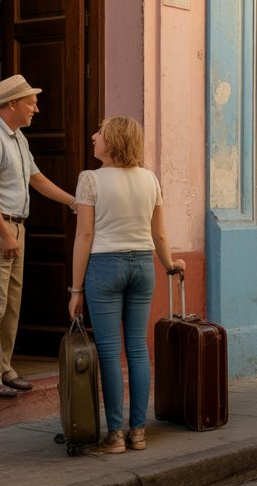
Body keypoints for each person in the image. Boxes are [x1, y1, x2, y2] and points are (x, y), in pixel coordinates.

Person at [68, 116, 184, 454]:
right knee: (137, 348)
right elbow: (159, 233)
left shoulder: (90, 180)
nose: (93, 137)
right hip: (143, 266)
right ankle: (139, 432)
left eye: (100, 133)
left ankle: (115, 436)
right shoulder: (150, 179)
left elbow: (85, 235)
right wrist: (170, 264)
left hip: (105, 266)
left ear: (113, 140)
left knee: (108, 351)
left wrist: (75, 290)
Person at [0, 74, 77, 397]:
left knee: (10, 304)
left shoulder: (16, 138)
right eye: (31, 102)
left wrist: (73, 202)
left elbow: (37, 180)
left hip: (12, 227)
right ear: (12, 104)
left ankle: (3, 366)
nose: (36, 109)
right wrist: (5, 234)